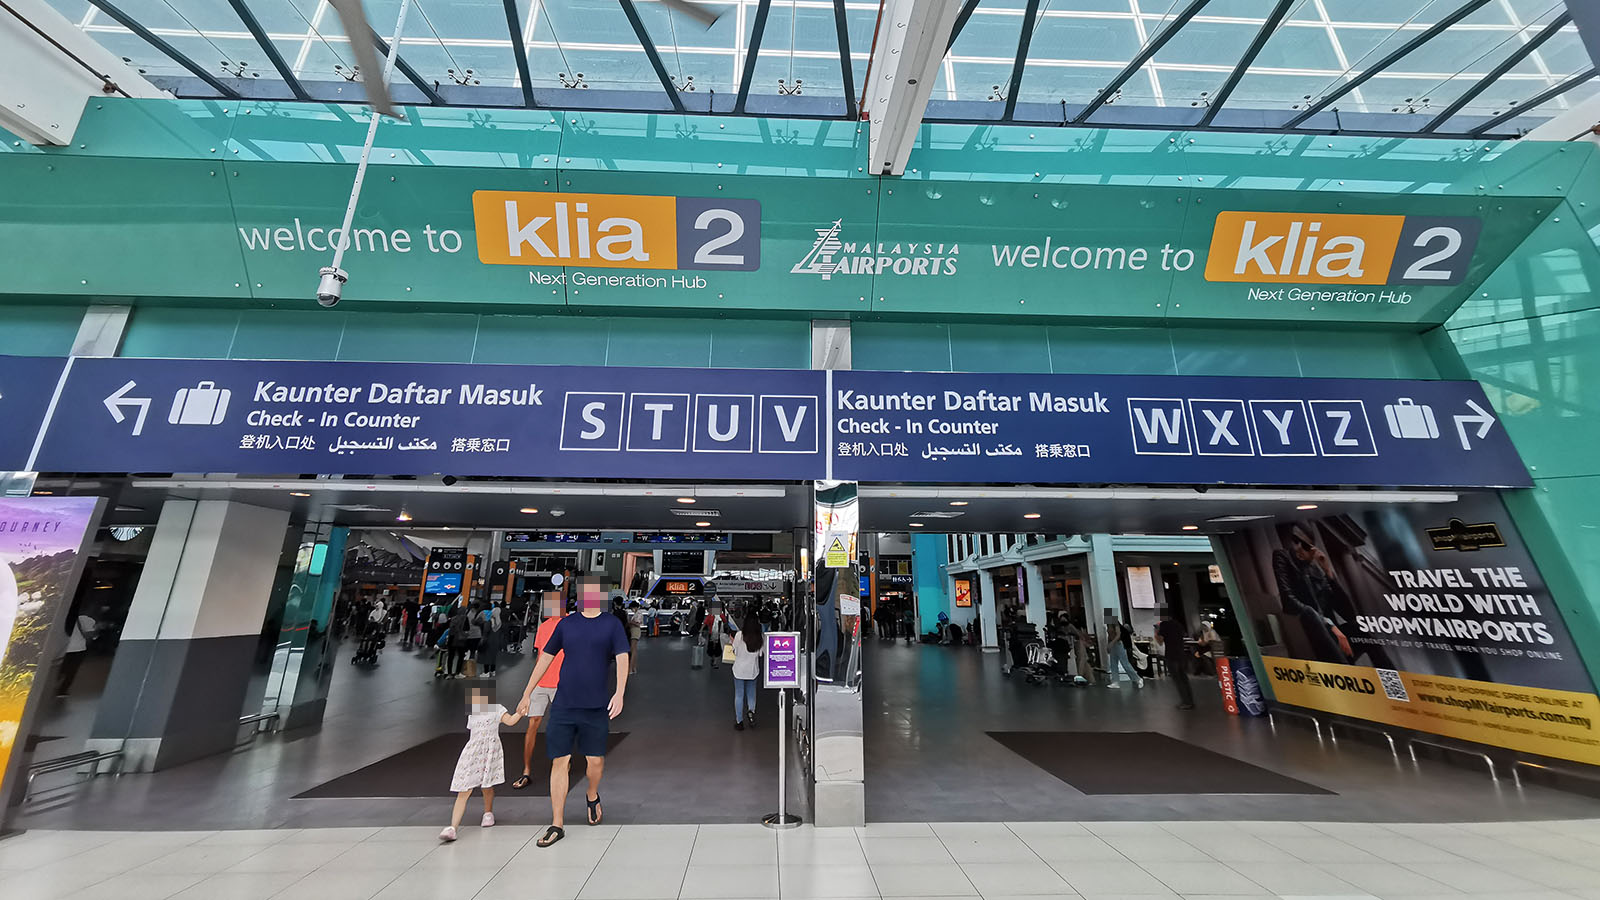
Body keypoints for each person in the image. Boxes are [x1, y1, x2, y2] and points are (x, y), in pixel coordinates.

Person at [516, 581, 630, 849]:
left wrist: (620, 692)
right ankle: (557, 822)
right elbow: (545, 657)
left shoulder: (612, 624)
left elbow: (623, 656)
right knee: (560, 761)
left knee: (595, 762)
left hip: (596, 706)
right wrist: (527, 692)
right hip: (564, 705)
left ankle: (592, 793)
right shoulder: (565, 625)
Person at [440, 687, 523, 842]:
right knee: (464, 789)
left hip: (489, 753)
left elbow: (510, 721)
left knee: (487, 786)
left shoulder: (497, 709)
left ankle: (488, 812)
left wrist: (521, 712)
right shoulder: (473, 714)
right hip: (472, 754)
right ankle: (453, 827)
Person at [513, 593, 565, 791]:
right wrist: (530, 687)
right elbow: (540, 656)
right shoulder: (543, 627)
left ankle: (562, 762)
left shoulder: (569, 624)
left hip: (561, 683)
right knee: (532, 723)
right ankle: (526, 770)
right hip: (541, 683)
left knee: (560, 725)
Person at [730, 610, 763, 730]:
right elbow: (760, 654)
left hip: (738, 670)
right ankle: (751, 712)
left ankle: (739, 722)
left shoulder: (739, 635)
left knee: (739, 695)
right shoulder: (760, 637)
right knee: (751, 693)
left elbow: (734, 651)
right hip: (752, 670)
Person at [1154, 609, 1194, 709]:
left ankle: (1185, 702)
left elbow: (1160, 642)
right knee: (1184, 678)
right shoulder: (1177, 624)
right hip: (1181, 655)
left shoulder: (1163, 625)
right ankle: (1190, 701)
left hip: (1171, 655)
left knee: (1178, 680)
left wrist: (1156, 632)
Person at [56, 606, 98, 696]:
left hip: (63, 649)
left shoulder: (60, 618)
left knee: (61, 669)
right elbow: (90, 635)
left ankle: (54, 684)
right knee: (72, 671)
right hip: (79, 649)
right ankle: (62, 690)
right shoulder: (85, 619)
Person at [1103, 617, 1143, 689]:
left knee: (1125, 664)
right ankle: (1115, 682)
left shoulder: (1115, 624)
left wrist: (1111, 643)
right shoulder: (1108, 625)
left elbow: (1118, 635)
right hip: (1114, 645)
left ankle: (1138, 679)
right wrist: (1108, 644)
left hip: (1119, 644)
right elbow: (1110, 635)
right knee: (1113, 664)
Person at [705, 605, 727, 670]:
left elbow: (705, 623)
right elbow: (725, 622)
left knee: (715, 648)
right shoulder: (714, 615)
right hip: (716, 633)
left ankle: (714, 661)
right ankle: (714, 659)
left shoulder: (712, 616)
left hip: (715, 633)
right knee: (715, 648)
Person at [626, 601, 644, 674]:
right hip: (634, 631)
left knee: (633, 650)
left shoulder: (639, 614)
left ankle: (630, 669)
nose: (632, 609)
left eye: (632, 608)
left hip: (635, 631)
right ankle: (633, 668)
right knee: (634, 650)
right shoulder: (636, 614)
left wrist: (630, 622)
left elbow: (638, 624)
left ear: (635, 607)